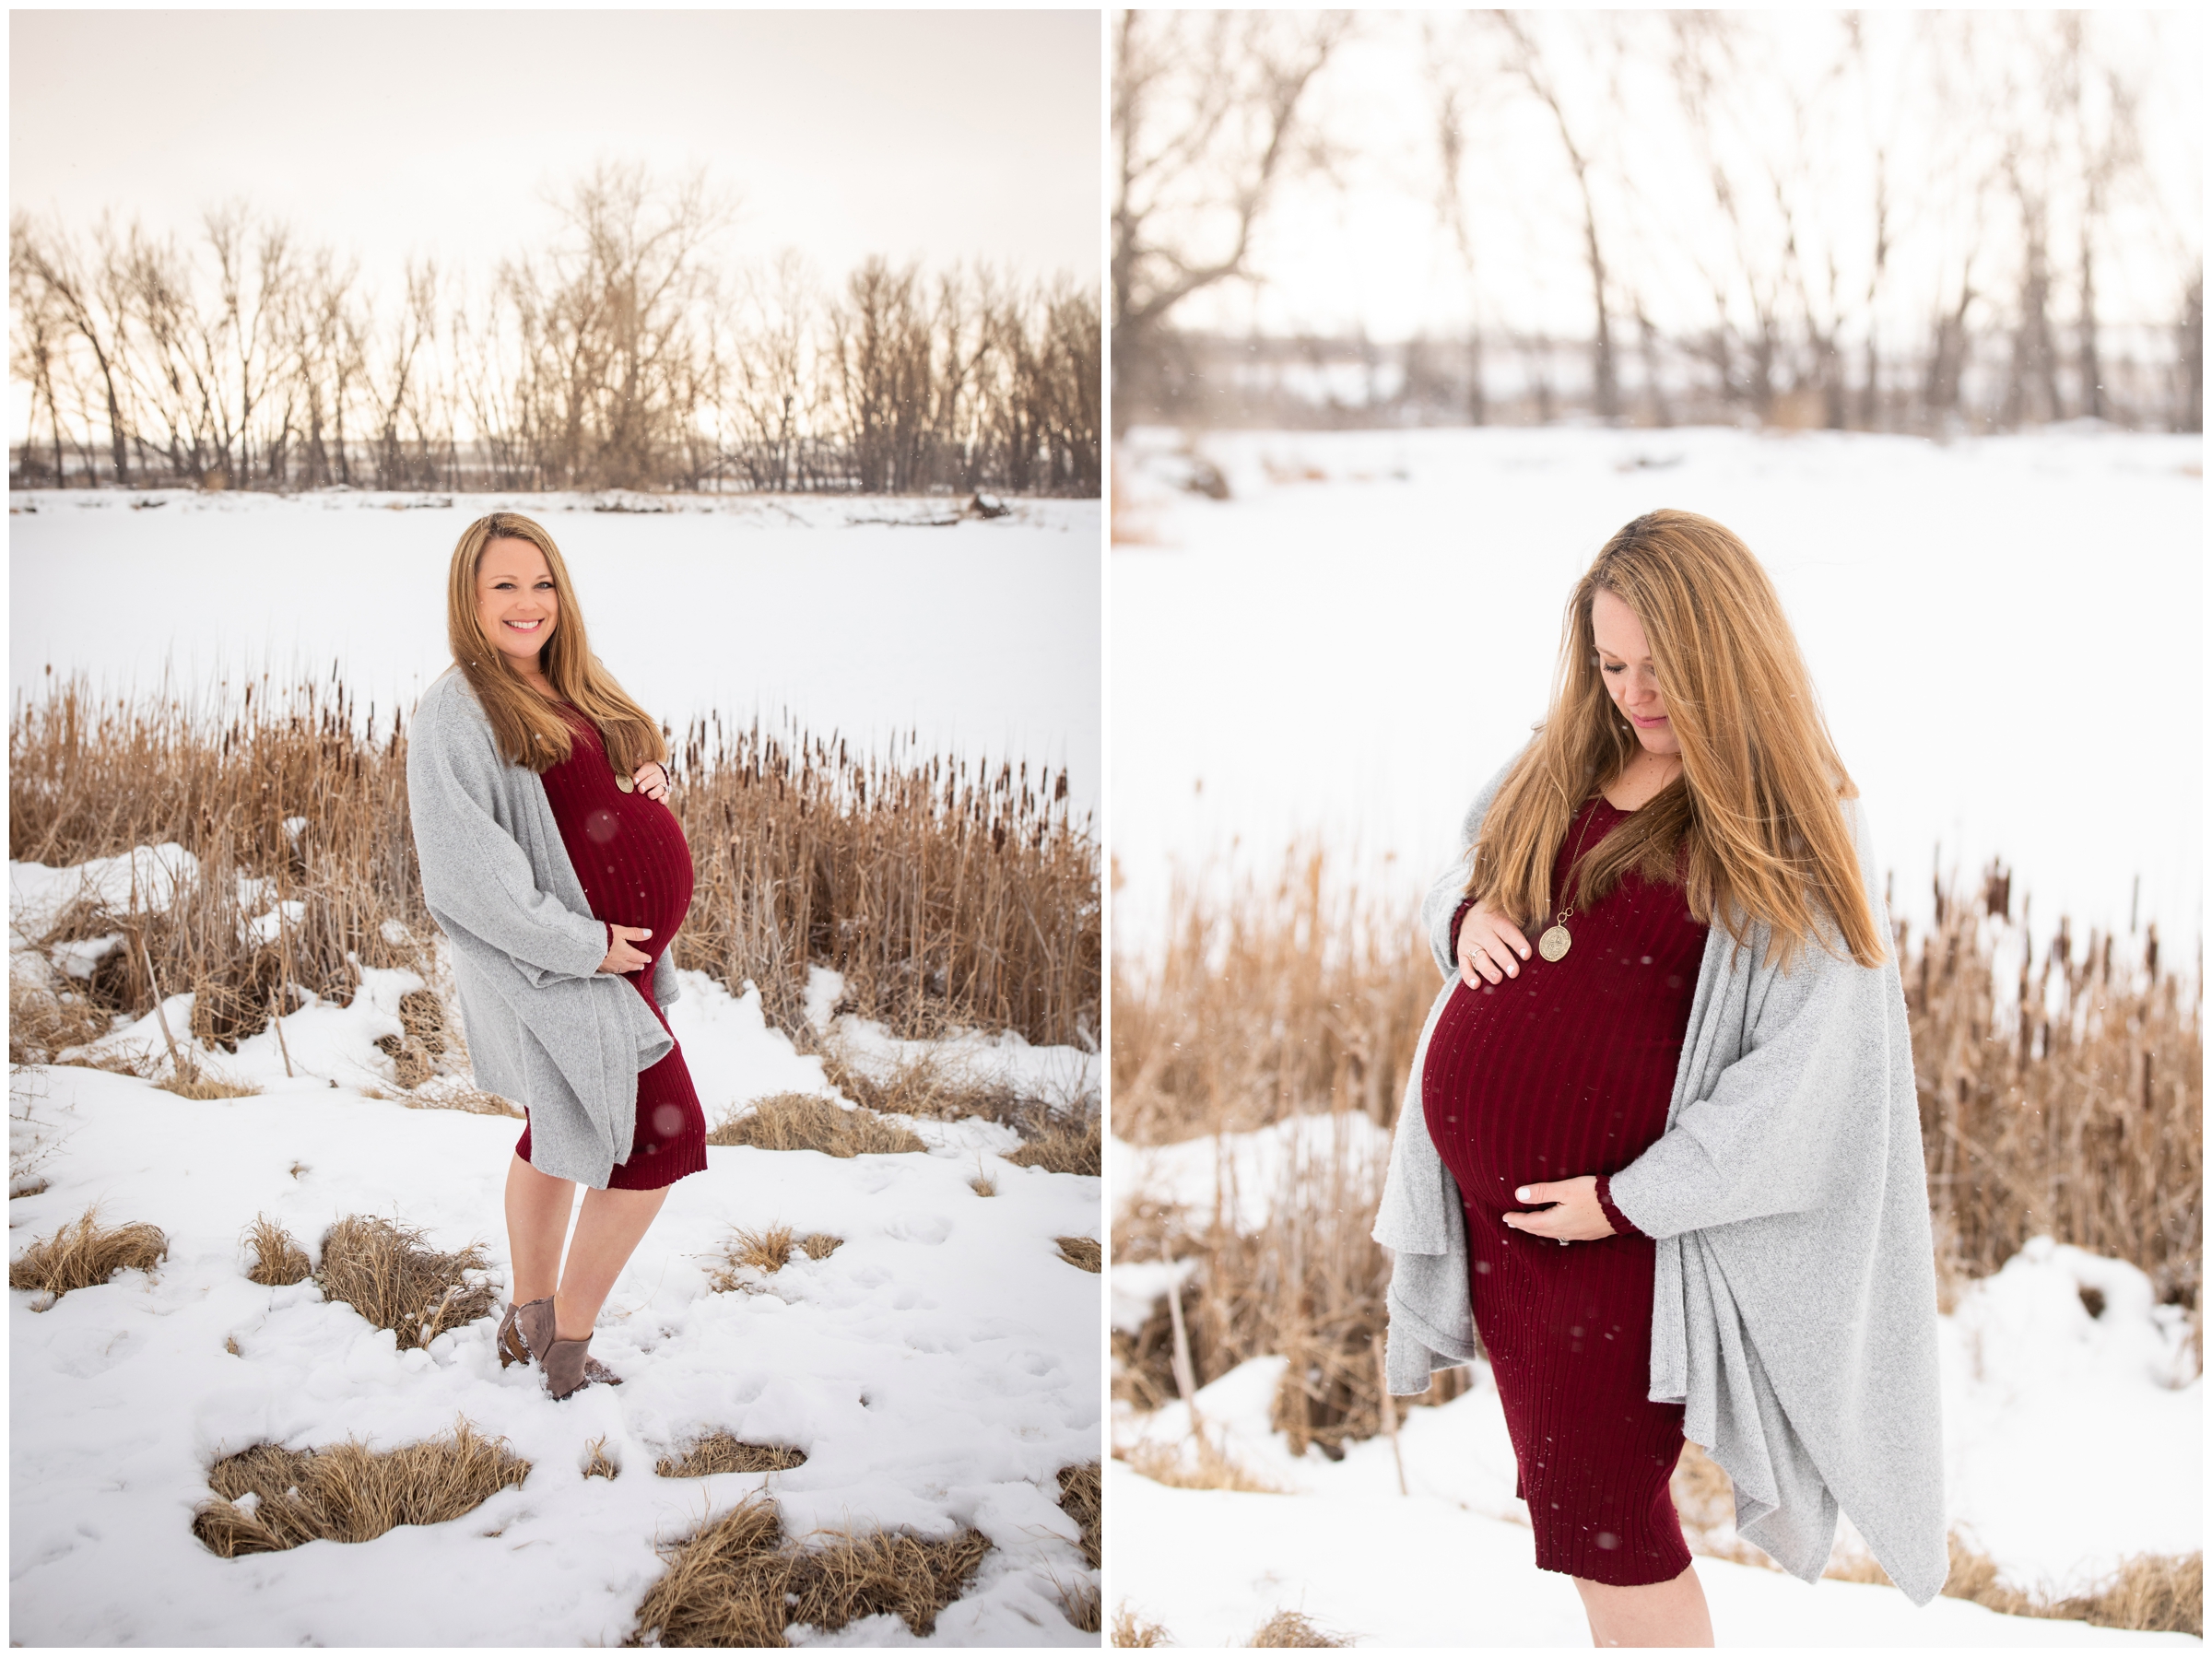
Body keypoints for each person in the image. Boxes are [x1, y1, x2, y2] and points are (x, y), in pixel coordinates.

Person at [1372, 510, 1946, 1647]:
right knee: (1583, 1513)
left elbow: (1807, 1079)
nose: (1636, 692)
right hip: (1509, 1237)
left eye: (1662, 666)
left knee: (1605, 1521)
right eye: (1611, 663)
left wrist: (1628, 1201)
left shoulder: (1790, 825)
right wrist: (1465, 911)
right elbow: (1461, 862)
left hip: (1622, 1243)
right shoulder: (1561, 766)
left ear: (1729, 650)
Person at [406, 511, 703, 1400]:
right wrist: (585, 946)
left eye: (541, 584)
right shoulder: (456, 712)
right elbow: (467, 879)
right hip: (563, 972)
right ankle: (566, 1349)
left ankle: (530, 1317)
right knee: (663, 1137)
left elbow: (605, 784)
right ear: (470, 597)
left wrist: (648, 784)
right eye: (504, 585)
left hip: (622, 966)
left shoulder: (572, 681)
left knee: (557, 1126)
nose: (528, 603)